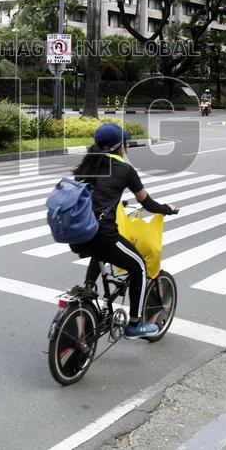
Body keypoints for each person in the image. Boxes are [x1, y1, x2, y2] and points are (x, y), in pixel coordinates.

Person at [69, 122, 179, 340]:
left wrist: (116, 202)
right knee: (139, 266)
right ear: (121, 146)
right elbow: (146, 203)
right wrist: (167, 209)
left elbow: (97, 195)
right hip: (103, 234)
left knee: (99, 251)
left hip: (78, 234)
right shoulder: (125, 170)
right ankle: (135, 325)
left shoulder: (88, 166)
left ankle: (89, 289)